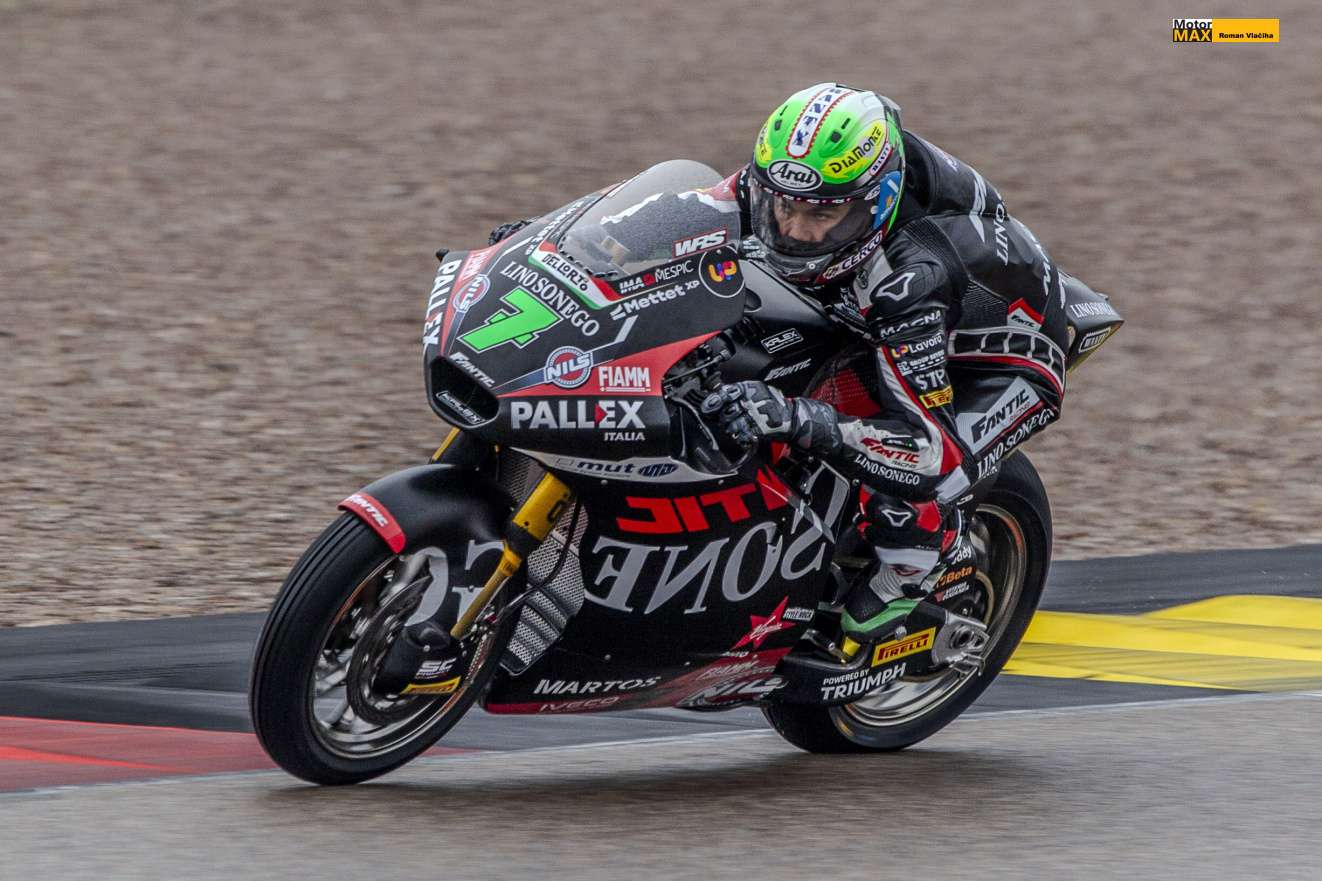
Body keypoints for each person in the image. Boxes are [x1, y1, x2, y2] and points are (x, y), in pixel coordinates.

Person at [494, 83, 1076, 655]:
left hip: (1000, 355)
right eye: (785, 206)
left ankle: (914, 572)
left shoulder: (909, 277)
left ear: (876, 201)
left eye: (824, 214)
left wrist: (796, 416)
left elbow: (927, 452)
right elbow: (667, 219)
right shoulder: (783, 183)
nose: (796, 230)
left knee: (915, 486)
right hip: (870, 311)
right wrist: (550, 247)